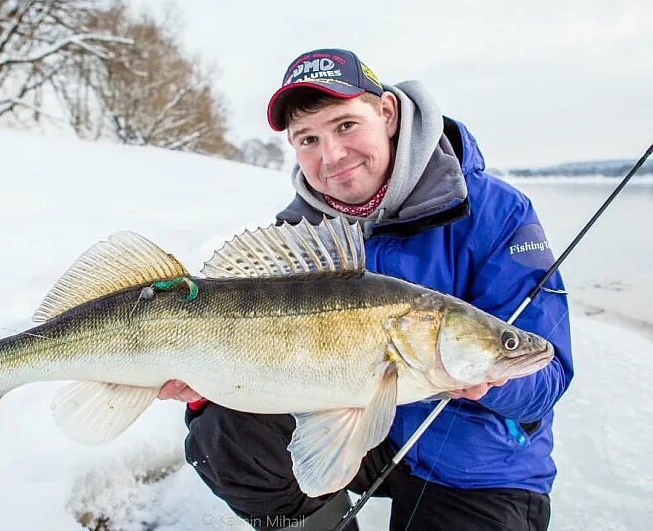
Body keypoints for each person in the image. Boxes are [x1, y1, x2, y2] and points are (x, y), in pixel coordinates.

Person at [159, 48, 573, 530]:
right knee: (223, 432)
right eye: (307, 139)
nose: (331, 156)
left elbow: (549, 376)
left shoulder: (498, 214)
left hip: (477, 466)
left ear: (387, 113)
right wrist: (209, 378)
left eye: (345, 125)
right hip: (358, 432)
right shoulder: (301, 239)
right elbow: (255, 348)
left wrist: (491, 382)